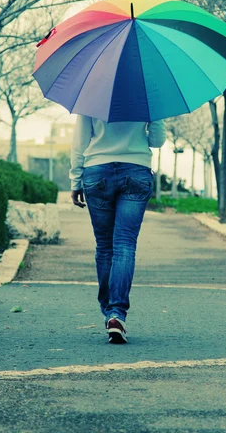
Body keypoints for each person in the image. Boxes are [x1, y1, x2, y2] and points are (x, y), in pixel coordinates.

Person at [69, 116, 166, 344]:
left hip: (96, 171)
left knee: (104, 245)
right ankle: (116, 314)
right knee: (124, 244)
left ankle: (108, 312)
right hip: (136, 170)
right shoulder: (147, 92)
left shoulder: (90, 91)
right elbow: (157, 140)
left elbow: (79, 143)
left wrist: (75, 182)